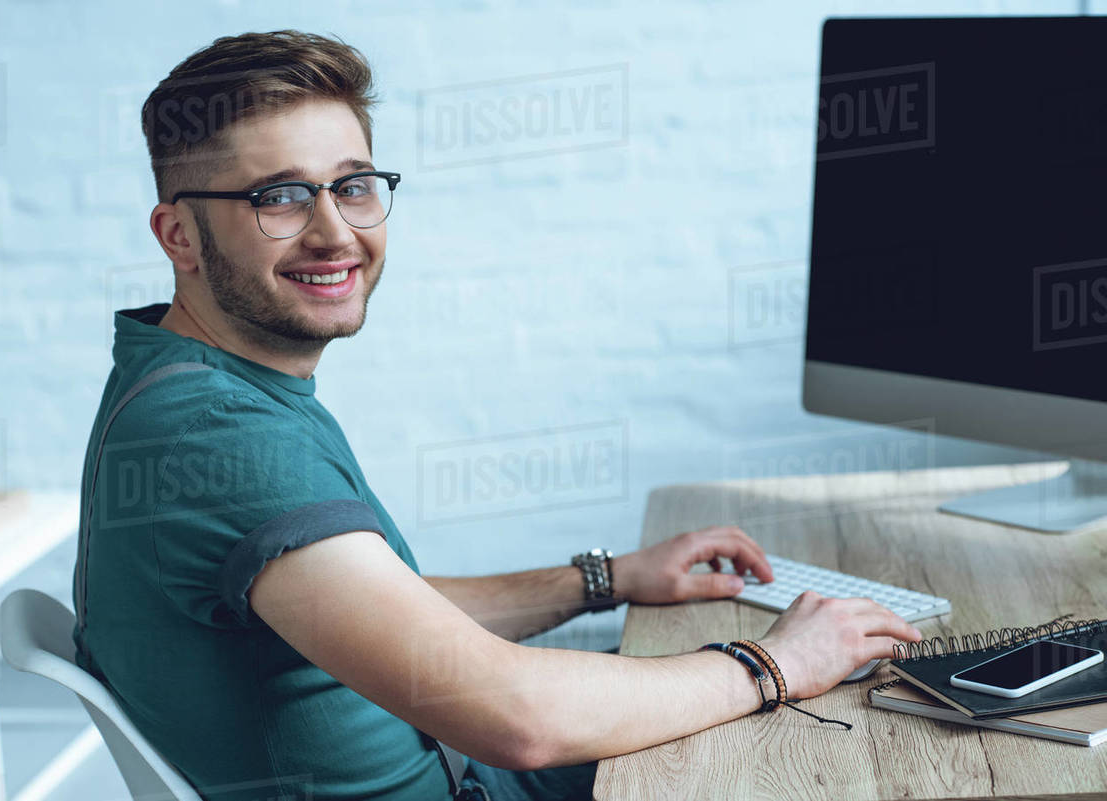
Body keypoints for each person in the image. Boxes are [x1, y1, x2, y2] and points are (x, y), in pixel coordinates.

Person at [72, 29, 924, 801]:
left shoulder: (187, 378)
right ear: (178, 235)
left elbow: (389, 611)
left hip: (470, 769)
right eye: (281, 198)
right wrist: (775, 662)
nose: (335, 233)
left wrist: (605, 579)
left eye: (353, 186)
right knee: (870, 745)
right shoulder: (216, 437)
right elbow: (518, 718)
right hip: (478, 774)